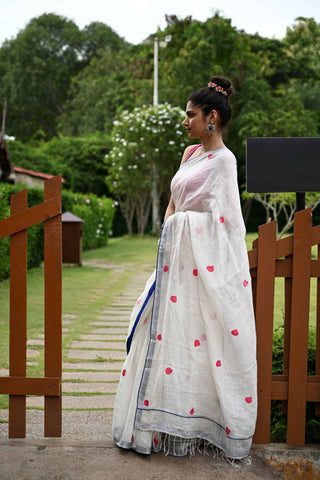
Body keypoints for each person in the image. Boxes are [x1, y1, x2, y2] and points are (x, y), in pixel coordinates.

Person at [112, 76, 257, 461]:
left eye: (190, 114)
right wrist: (173, 227)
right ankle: (149, 431)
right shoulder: (191, 154)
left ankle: (191, 429)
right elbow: (175, 204)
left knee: (191, 340)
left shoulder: (224, 162)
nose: (184, 120)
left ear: (212, 117)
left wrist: (183, 227)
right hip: (174, 263)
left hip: (198, 269)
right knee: (155, 330)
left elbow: (226, 223)